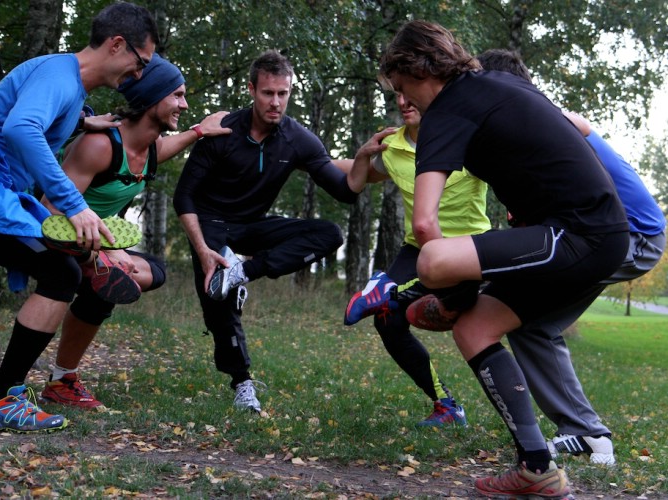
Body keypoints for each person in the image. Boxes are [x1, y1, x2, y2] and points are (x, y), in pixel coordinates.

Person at [380, 20, 630, 498]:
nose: (403, 99)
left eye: (401, 86)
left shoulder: (445, 114)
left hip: (577, 233)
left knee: (432, 261)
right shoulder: (497, 83)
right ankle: (538, 469)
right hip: (591, 232)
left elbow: (426, 228)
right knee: (473, 328)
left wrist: (447, 294)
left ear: (416, 70)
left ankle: (457, 297)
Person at [0, 2, 159, 432]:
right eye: (140, 63)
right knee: (59, 271)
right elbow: (20, 128)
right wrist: (75, 205)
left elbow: (34, 115)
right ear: (117, 45)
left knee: (60, 270)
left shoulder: (66, 84)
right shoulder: (58, 76)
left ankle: (3, 396)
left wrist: (83, 122)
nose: (138, 75)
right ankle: (0, 399)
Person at [476, 48, 666, 465]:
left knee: (511, 303)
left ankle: (586, 431)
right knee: (531, 325)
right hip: (611, 233)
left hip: (632, 235)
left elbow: (578, 130)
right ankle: (587, 433)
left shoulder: (551, 119)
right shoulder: (528, 125)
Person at [172, 50, 368, 412]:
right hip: (211, 222)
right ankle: (242, 383)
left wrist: (366, 158)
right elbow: (183, 197)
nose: (276, 102)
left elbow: (344, 192)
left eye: (283, 93)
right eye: (268, 93)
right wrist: (201, 249)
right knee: (217, 300)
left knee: (330, 233)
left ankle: (243, 271)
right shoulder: (222, 132)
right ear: (251, 89)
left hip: (252, 227)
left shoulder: (298, 140)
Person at [38, 54, 232, 410]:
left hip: (94, 247)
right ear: (153, 97)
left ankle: (62, 379)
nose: (183, 104)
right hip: (56, 241)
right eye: (176, 95)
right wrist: (97, 249)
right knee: (110, 276)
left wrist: (201, 130)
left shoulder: (149, 151)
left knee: (150, 272)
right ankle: (63, 378)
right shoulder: (99, 145)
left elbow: (167, 145)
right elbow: (50, 211)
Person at [337, 93, 491, 427]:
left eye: (412, 93)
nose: (405, 101)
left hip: (469, 249)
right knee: (387, 320)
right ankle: (446, 406)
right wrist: (307, 158)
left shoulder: (467, 136)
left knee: (472, 325)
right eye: (398, 94)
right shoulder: (392, 147)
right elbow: (360, 174)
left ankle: (383, 289)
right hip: (417, 247)